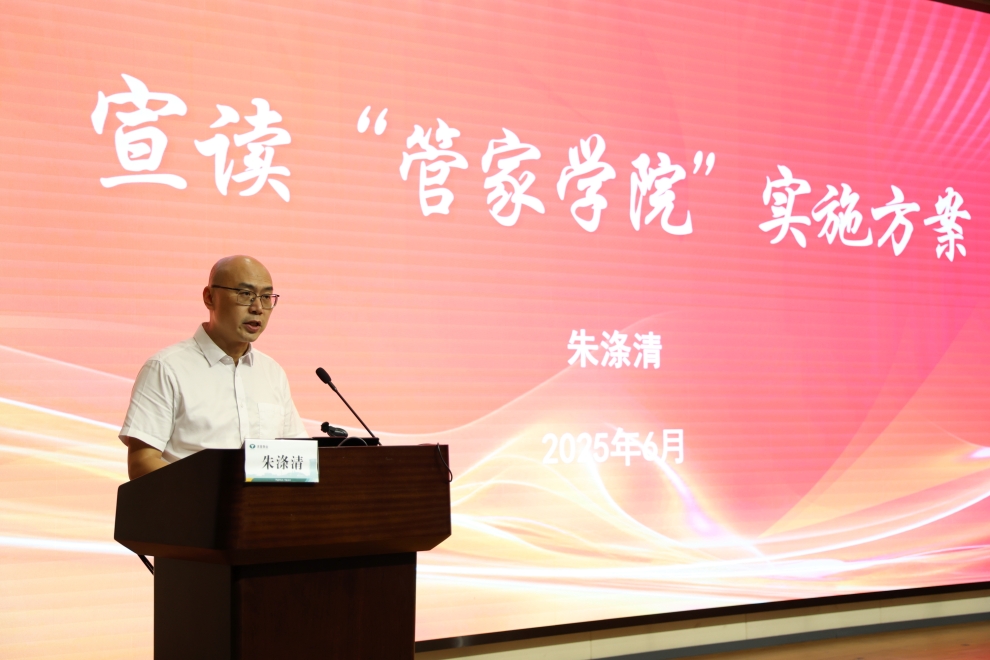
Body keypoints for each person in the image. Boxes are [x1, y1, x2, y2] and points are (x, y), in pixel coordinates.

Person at [120, 255, 308, 479]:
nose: (258, 307)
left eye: (266, 297)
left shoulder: (272, 373)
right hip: (192, 502)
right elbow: (142, 463)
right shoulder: (166, 368)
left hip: (259, 502)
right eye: (245, 294)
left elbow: (299, 460)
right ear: (209, 298)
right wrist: (213, 489)